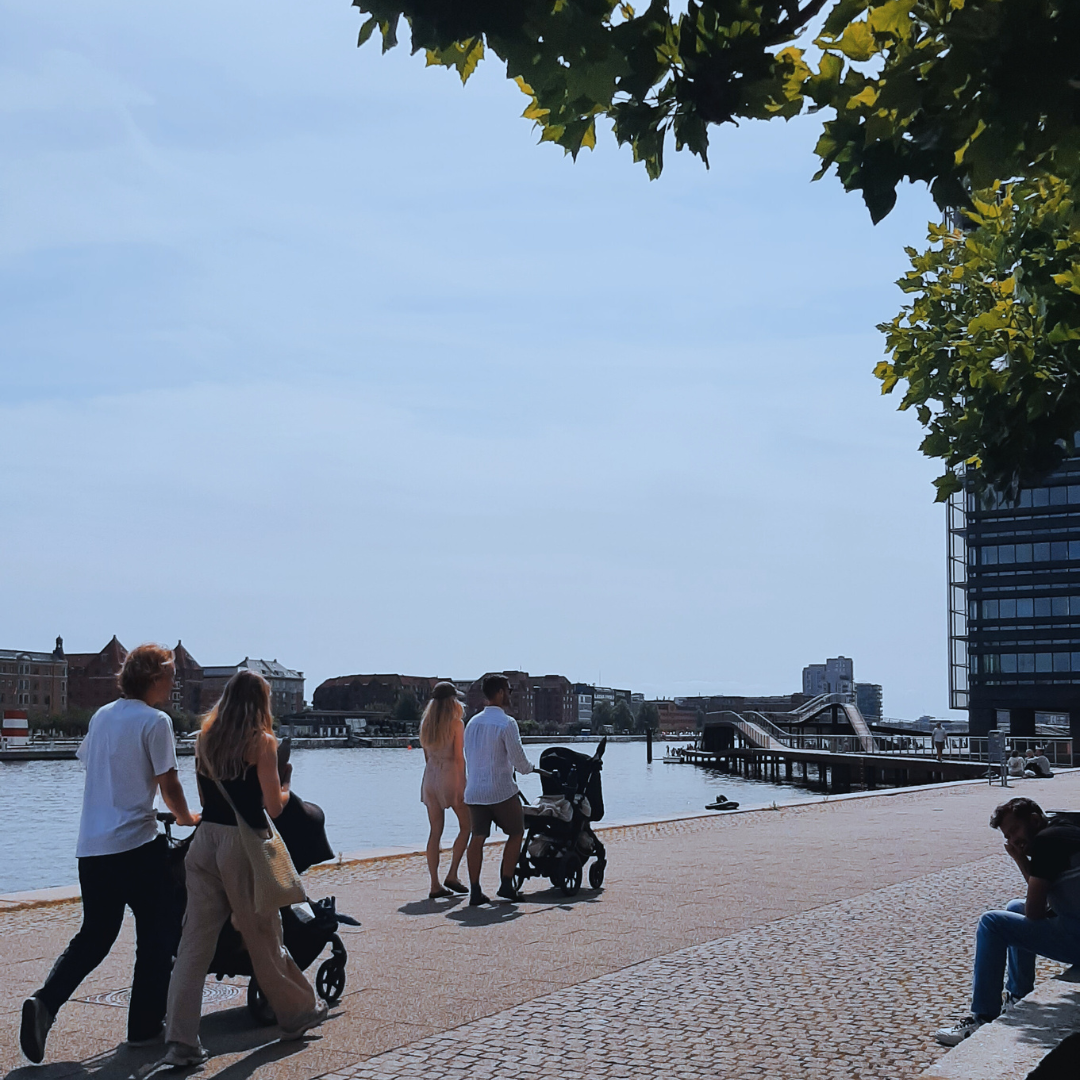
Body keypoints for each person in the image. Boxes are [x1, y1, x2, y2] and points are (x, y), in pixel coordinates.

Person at [20, 644, 199, 1064]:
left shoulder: (102, 717)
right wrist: (187, 817)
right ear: (153, 678)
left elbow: (104, 773)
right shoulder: (156, 722)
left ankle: (46, 1003)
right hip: (137, 845)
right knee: (158, 933)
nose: (173, 683)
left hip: (92, 848)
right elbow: (168, 783)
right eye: (169, 675)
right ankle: (142, 1028)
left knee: (95, 936)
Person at [162, 670, 326, 1067]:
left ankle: (181, 1040)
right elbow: (273, 807)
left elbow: (205, 797)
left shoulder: (204, 739)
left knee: (193, 946)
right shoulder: (262, 742)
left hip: (204, 844)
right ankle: (296, 1013)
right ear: (260, 703)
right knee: (263, 936)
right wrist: (285, 786)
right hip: (242, 847)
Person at [935, 797, 1080, 1046]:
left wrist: (1021, 860)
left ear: (1034, 820)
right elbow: (1045, 905)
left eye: (1015, 830)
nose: (1013, 841)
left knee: (992, 923)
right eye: (1008, 836)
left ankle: (983, 1016)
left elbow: (1035, 911)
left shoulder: (1046, 843)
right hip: (1073, 919)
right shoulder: (1063, 827)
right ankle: (1017, 997)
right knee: (1014, 907)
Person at [463, 673, 538, 906]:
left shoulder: (472, 723)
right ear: (499, 693)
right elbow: (519, 761)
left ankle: (475, 890)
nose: (510, 694)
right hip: (501, 791)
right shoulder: (507, 723)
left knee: (477, 837)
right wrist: (531, 768)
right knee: (516, 832)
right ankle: (506, 883)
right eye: (508, 690)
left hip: (474, 791)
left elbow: (469, 755)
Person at [419, 681, 470, 899]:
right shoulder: (456, 724)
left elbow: (426, 756)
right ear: (452, 701)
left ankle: (434, 884)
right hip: (450, 774)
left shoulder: (426, 725)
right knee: (467, 826)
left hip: (430, 776)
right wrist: (464, 783)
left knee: (435, 831)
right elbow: (459, 757)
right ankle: (452, 874)